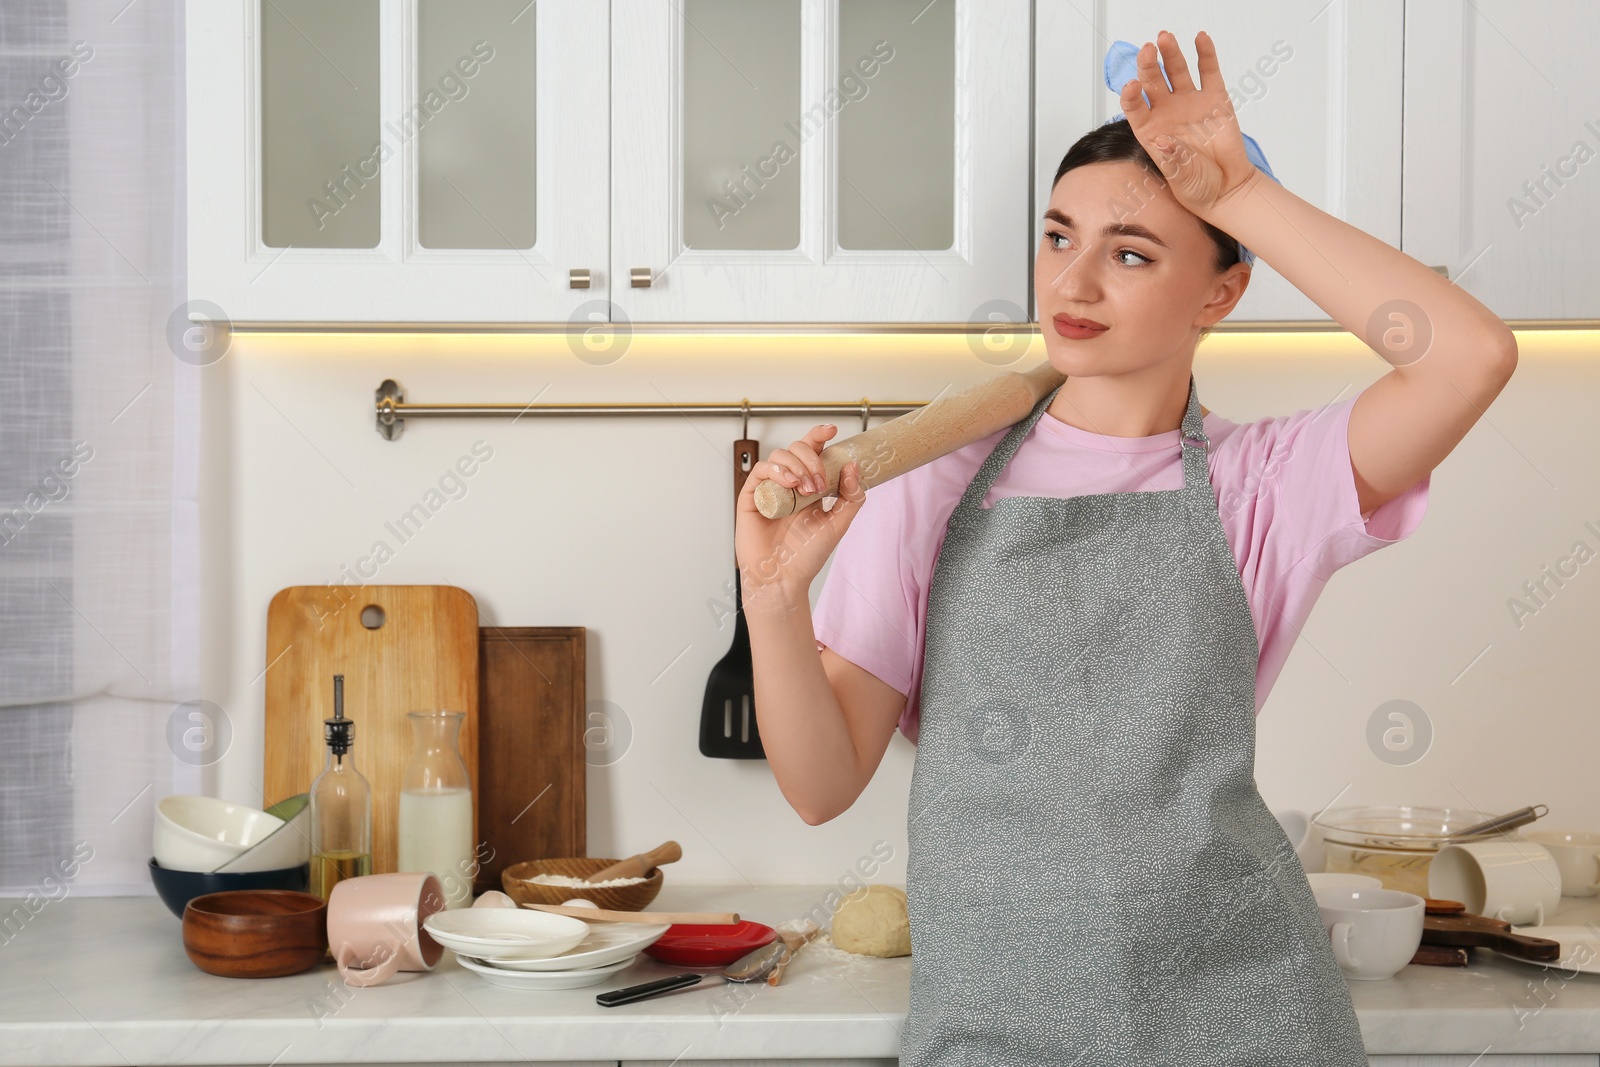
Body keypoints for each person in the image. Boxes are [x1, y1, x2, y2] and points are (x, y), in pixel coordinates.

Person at [735, 29, 1517, 1066]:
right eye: (1058, 237)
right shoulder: (932, 473)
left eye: (1132, 252)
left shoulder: (1264, 486)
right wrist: (773, 596)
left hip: (1245, 1020)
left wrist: (1237, 193)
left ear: (1219, 293)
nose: (1077, 282)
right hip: (993, 1026)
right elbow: (822, 783)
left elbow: (1468, 357)